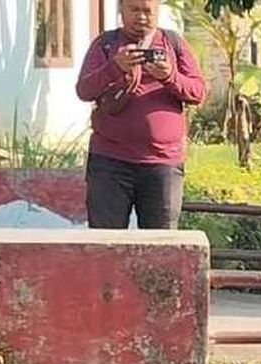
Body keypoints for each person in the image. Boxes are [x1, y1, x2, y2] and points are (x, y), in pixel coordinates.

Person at [76, 0, 206, 229]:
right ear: (121, 11)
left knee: (161, 245)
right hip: (110, 163)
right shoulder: (106, 44)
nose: (142, 17)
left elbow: (198, 92)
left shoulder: (173, 44)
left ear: (157, 12)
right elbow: (84, 90)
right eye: (134, 10)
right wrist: (115, 67)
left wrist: (170, 76)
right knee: (106, 243)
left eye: (148, 11)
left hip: (162, 165)